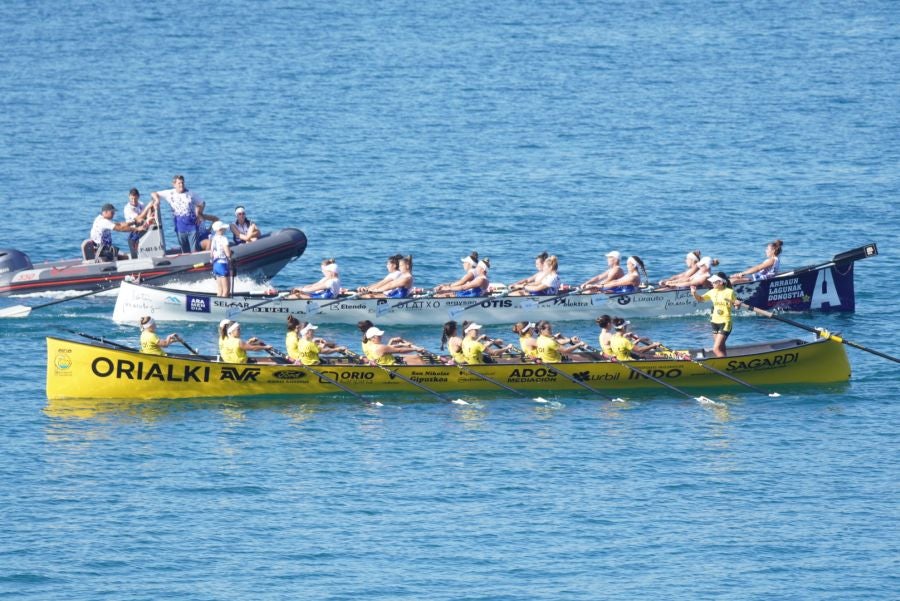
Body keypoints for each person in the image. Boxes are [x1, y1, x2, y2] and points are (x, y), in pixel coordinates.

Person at [691, 273, 742, 357]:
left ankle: (724, 366)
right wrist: (694, 293)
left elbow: (736, 307)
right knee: (721, 346)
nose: (712, 283)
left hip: (725, 322)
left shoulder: (729, 292)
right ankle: (725, 360)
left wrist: (738, 304)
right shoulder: (712, 292)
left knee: (716, 349)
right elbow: (700, 299)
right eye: (712, 282)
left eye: (714, 282)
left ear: (721, 283)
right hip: (714, 322)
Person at [151, 174, 205, 253]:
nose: (181, 185)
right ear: (174, 184)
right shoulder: (170, 193)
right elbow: (153, 193)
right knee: (185, 251)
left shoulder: (191, 193)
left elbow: (202, 203)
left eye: (182, 182)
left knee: (194, 251)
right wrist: (157, 200)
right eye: (179, 183)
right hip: (180, 228)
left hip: (192, 227)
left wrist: (199, 214)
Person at [123, 188, 157, 258]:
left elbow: (146, 216)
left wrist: (151, 210)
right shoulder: (127, 208)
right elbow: (138, 218)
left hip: (143, 228)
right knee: (134, 250)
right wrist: (148, 207)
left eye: (135, 199)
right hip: (133, 231)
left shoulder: (141, 204)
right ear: (129, 197)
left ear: (138, 197)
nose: (133, 201)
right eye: (132, 198)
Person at [209, 221, 232, 298]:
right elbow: (227, 253)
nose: (225, 230)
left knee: (219, 290)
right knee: (226, 290)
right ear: (220, 229)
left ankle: (217, 305)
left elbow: (211, 254)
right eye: (223, 228)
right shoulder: (224, 238)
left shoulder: (213, 238)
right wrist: (230, 257)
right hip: (222, 265)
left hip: (215, 265)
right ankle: (224, 309)